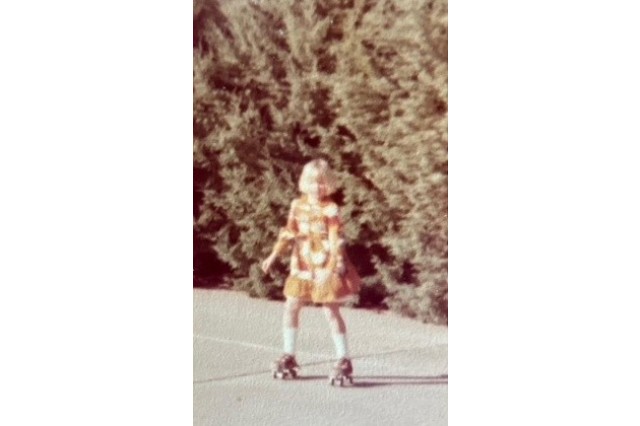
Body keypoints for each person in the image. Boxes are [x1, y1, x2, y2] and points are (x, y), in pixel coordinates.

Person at [261, 159, 361, 379]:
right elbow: (288, 232)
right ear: (305, 183)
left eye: (323, 183)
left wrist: (332, 267)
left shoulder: (331, 209)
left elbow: (337, 239)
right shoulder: (297, 205)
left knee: (330, 310)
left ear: (330, 184)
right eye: (313, 183)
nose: (318, 187)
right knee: (292, 306)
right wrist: (273, 255)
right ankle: (289, 354)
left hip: (326, 263)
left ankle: (344, 358)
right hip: (303, 263)